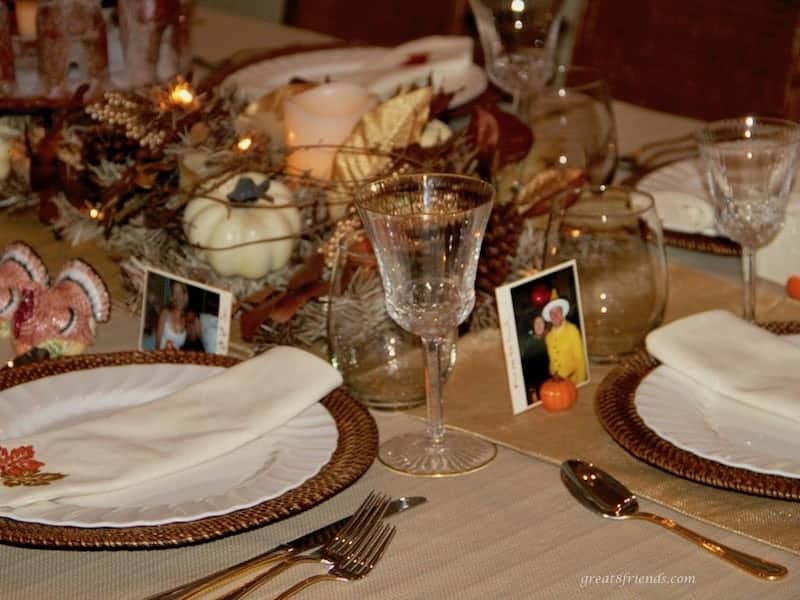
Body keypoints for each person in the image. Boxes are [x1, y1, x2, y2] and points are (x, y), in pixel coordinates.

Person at [539, 298, 587, 385]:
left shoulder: (572, 329)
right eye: (552, 313)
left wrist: (581, 383)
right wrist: (552, 372)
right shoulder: (548, 337)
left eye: (558, 311)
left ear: (563, 313)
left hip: (573, 381)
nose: (555, 315)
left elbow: (580, 360)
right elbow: (552, 361)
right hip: (556, 383)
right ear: (549, 317)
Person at [155, 280, 200, 351]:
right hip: (161, 354)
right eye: (175, 292)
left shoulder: (187, 318)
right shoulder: (165, 312)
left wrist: (195, 321)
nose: (177, 296)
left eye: (180, 292)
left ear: (185, 295)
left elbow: (193, 337)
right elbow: (157, 340)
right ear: (172, 296)